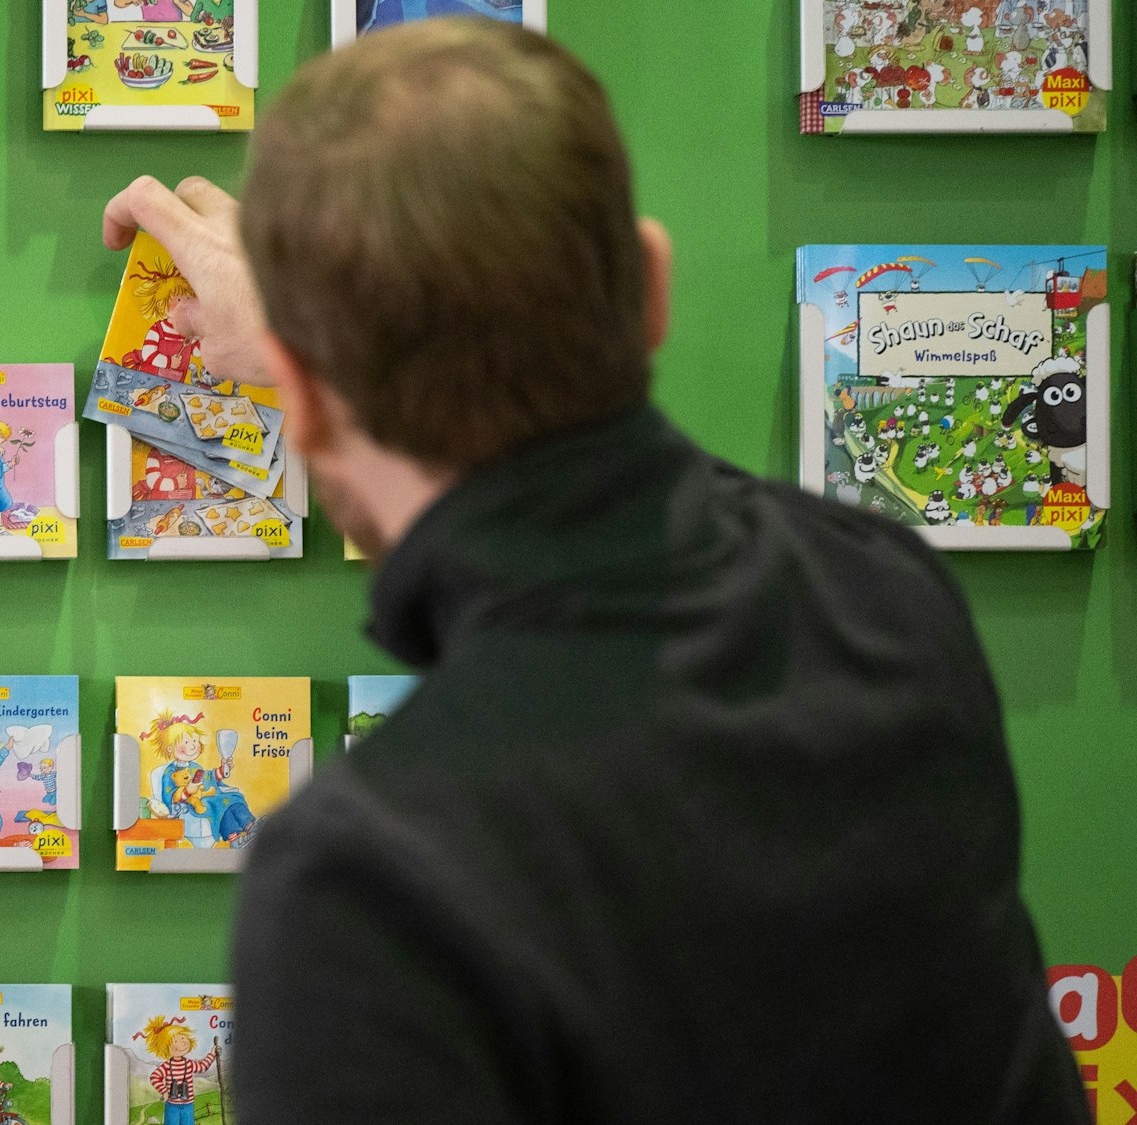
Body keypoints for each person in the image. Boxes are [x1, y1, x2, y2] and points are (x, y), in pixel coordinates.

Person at [101, 18, 1087, 1123]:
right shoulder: (885, 597)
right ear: (652, 289)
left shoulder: (369, 884)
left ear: (303, 401)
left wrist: (312, 348)